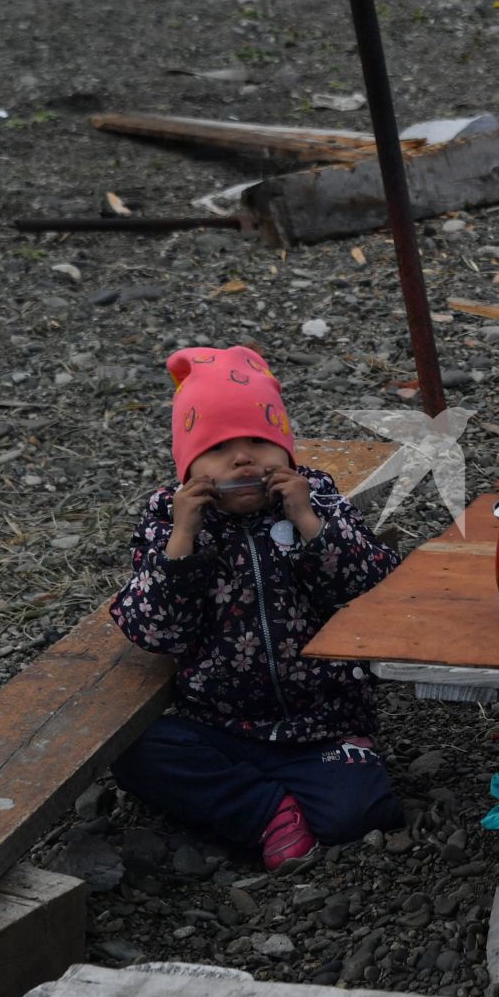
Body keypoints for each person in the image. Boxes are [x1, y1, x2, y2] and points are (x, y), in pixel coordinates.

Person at [108, 344, 401, 871]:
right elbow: (154, 632)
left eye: (260, 443)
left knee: (364, 814)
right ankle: (269, 813)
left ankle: (332, 768)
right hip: (220, 725)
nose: (244, 459)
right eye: (220, 449)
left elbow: (376, 589)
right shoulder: (168, 522)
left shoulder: (318, 500)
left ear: (287, 452)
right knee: (136, 752)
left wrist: (309, 523)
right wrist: (182, 540)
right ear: (188, 468)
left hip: (323, 722)